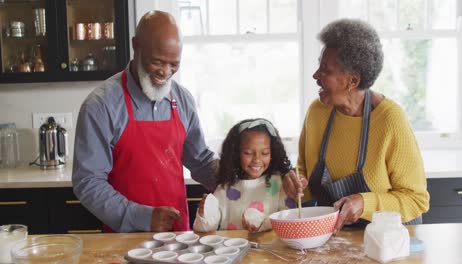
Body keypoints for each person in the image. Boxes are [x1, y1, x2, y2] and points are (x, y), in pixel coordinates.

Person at [72, 11, 218, 233]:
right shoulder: (101, 105)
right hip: (122, 239)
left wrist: (247, 178)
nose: (165, 73)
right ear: (136, 45)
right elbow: (88, 182)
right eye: (157, 62)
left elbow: (200, 161)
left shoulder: (183, 99)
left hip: (178, 236)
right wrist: (140, 217)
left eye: (174, 65)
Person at [283, 18, 429, 232]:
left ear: (353, 81)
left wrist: (365, 203)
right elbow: (304, 172)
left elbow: (416, 201)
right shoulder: (317, 112)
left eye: (325, 70)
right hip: (337, 240)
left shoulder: (390, 120)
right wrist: (296, 183)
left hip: (387, 243)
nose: (316, 76)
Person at [193, 118, 296, 233]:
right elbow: (206, 230)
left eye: (264, 153)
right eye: (248, 153)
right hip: (232, 250)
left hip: (268, 250)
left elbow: (290, 220)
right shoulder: (225, 187)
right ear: (236, 153)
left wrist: (263, 225)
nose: (257, 159)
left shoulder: (279, 184)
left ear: (272, 153)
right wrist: (205, 214)